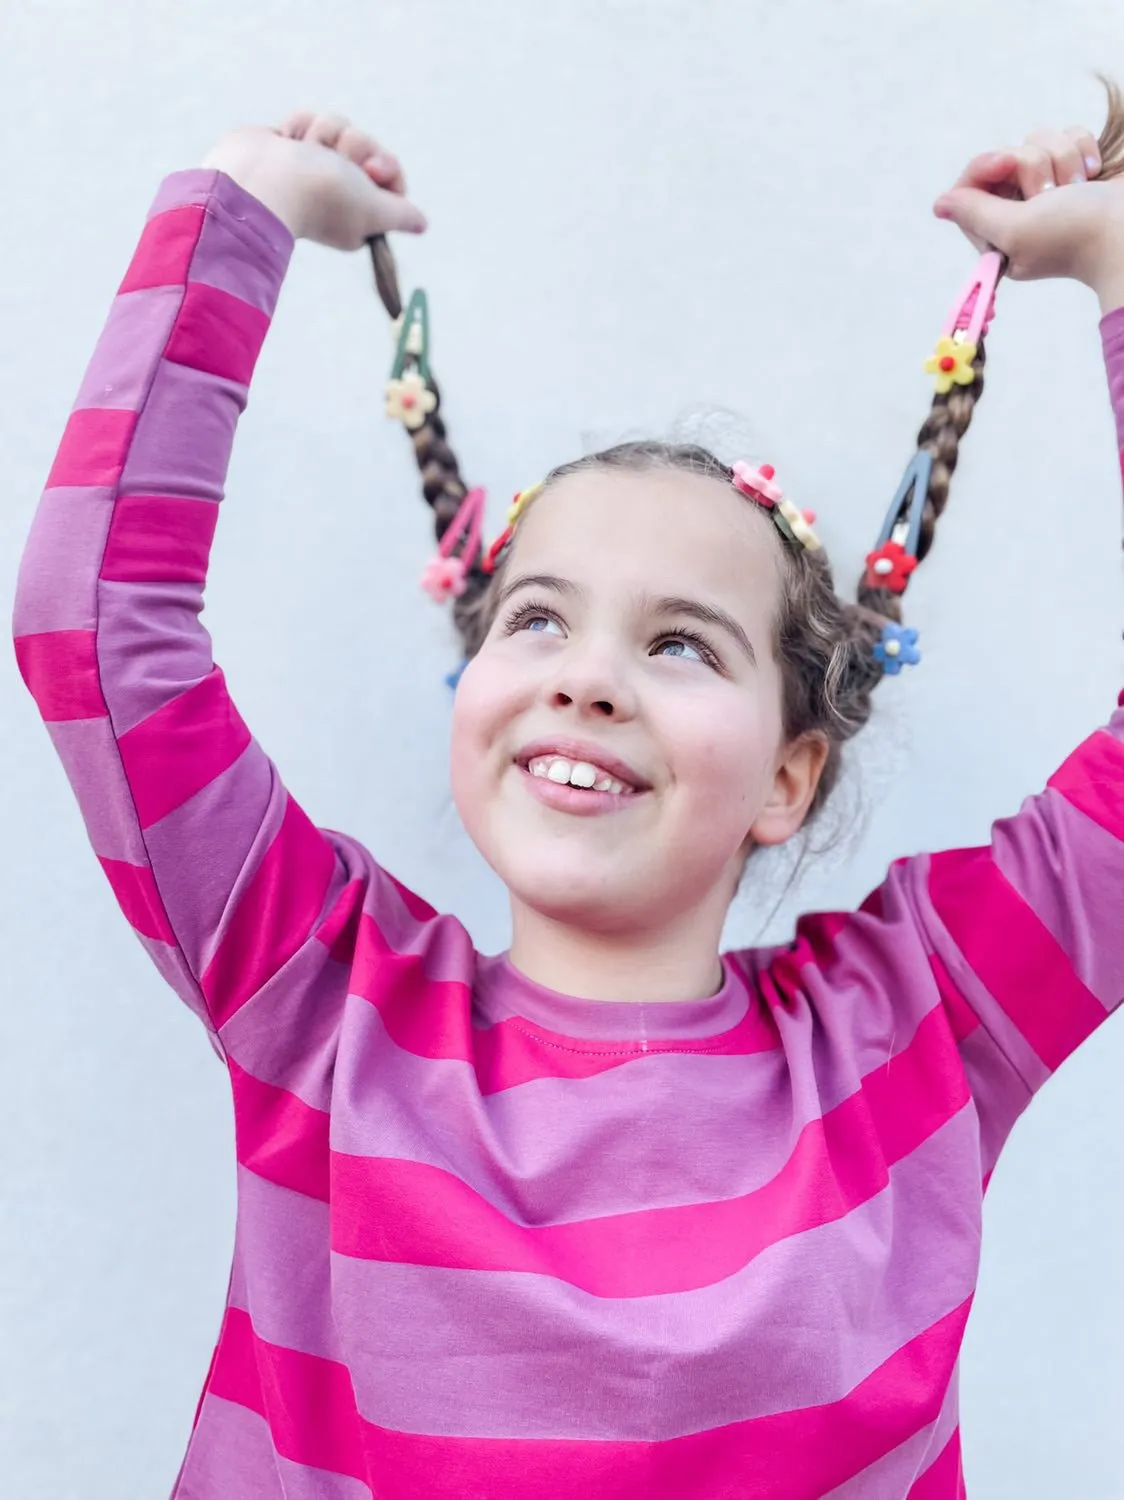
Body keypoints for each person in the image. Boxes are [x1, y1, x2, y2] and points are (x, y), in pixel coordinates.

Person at [11, 97, 1124, 1500]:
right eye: (535, 620)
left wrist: (1112, 255)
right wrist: (244, 206)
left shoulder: (921, 1027)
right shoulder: (318, 992)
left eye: (678, 644)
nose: (587, 680)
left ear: (790, 774)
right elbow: (91, 627)